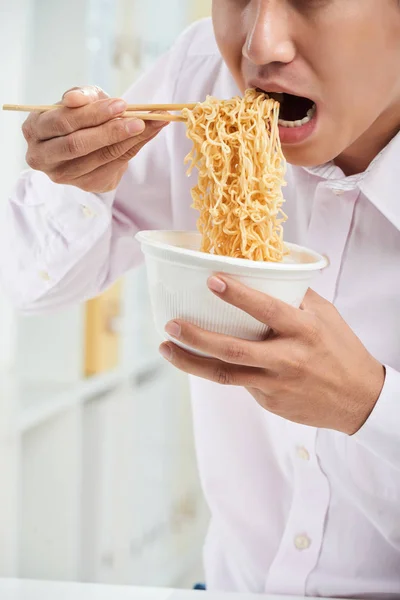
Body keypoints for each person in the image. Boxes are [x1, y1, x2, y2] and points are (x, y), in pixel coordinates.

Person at [1, 1, 400, 597]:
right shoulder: (200, 73)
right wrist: (78, 179)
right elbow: (28, 278)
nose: (262, 44)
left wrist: (368, 405)